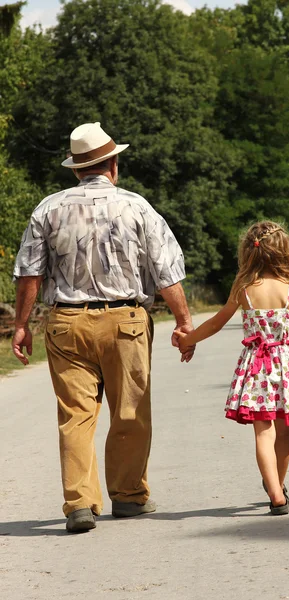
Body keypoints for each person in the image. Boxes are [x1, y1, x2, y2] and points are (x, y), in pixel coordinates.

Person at [12, 122, 195, 533]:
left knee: (75, 415)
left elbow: (29, 274)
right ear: (112, 164)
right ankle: (128, 497)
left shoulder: (48, 208)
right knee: (130, 411)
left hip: (65, 322)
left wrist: (21, 325)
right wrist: (184, 323)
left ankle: (79, 502)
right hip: (126, 320)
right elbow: (166, 272)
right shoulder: (137, 207)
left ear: (76, 168)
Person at [175, 221, 289, 515]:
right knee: (284, 433)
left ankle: (274, 491)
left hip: (256, 368)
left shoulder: (245, 290)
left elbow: (216, 322)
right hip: (286, 369)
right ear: (285, 253)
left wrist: (188, 338)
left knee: (263, 433)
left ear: (250, 253)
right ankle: (278, 486)